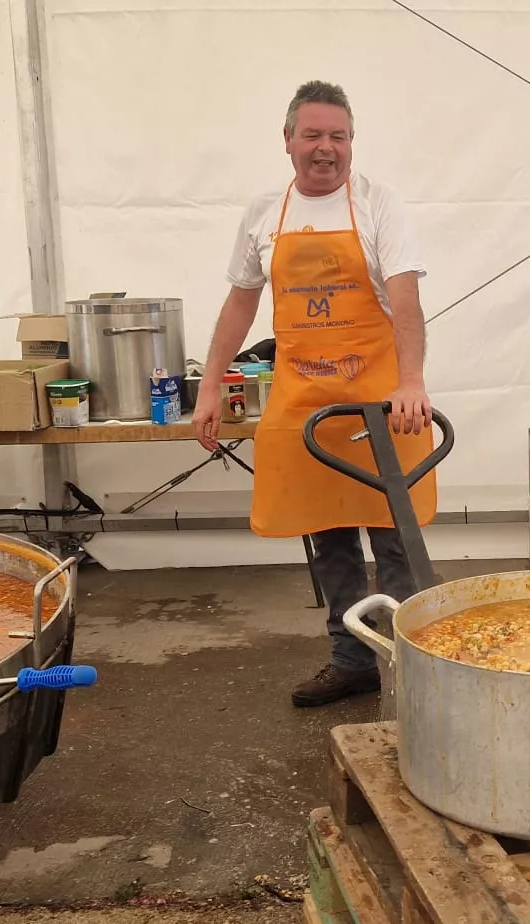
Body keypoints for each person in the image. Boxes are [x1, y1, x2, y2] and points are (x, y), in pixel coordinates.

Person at [194, 80, 436, 707]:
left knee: (394, 532)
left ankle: (420, 667)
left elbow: (405, 300)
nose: (326, 149)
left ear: (352, 142)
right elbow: (241, 303)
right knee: (327, 535)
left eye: (338, 136)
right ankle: (351, 659)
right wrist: (211, 385)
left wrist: (411, 382)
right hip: (306, 398)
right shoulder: (263, 213)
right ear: (288, 141)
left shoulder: (380, 205)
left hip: (381, 397)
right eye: (313, 135)